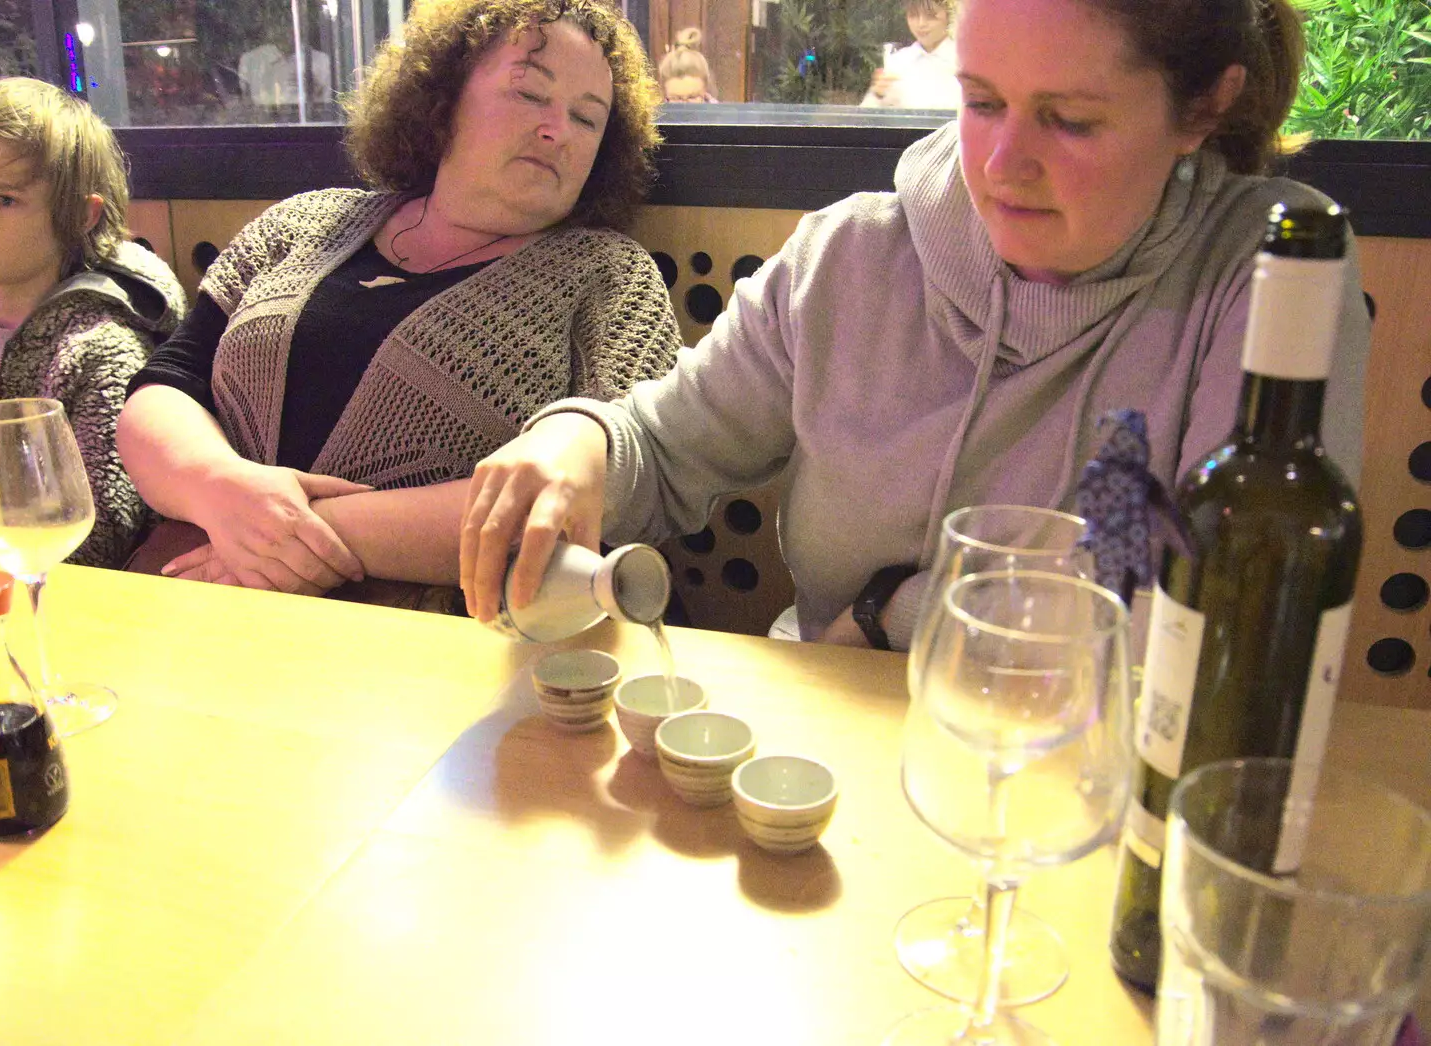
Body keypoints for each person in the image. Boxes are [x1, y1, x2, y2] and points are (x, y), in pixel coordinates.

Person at [460, 0, 1371, 649]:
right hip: (832, 745)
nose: (1004, 165)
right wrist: (579, 441)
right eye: (982, 103)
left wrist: (876, 617)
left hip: (1085, 776)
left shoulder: (1272, 276)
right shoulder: (855, 255)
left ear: (1203, 108)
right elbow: (661, 449)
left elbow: (1217, 633)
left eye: (1072, 120)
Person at [116, 0, 681, 608]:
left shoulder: (611, 277)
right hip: (198, 600)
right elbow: (167, 384)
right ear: (441, 100)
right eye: (529, 94)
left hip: (447, 640)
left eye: (586, 119)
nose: (558, 130)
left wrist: (284, 537)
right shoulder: (305, 223)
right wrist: (219, 488)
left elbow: (613, 488)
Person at [0, 77, 185, 569]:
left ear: (84, 215)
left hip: (47, 589)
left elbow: (102, 533)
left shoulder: (104, 348)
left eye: (4, 199)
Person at [862, 0, 961, 111]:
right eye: (913, 15)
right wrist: (878, 94)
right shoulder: (899, 62)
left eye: (931, 16)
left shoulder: (963, 61)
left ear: (949, 16)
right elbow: (865, 119)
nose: (921, 24)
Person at [659, 28, 718, 103]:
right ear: (665, 94)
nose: (684, 105)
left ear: (705, 90)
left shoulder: (723, 114)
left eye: (692, 97)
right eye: (676, 98)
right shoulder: (655, 113)